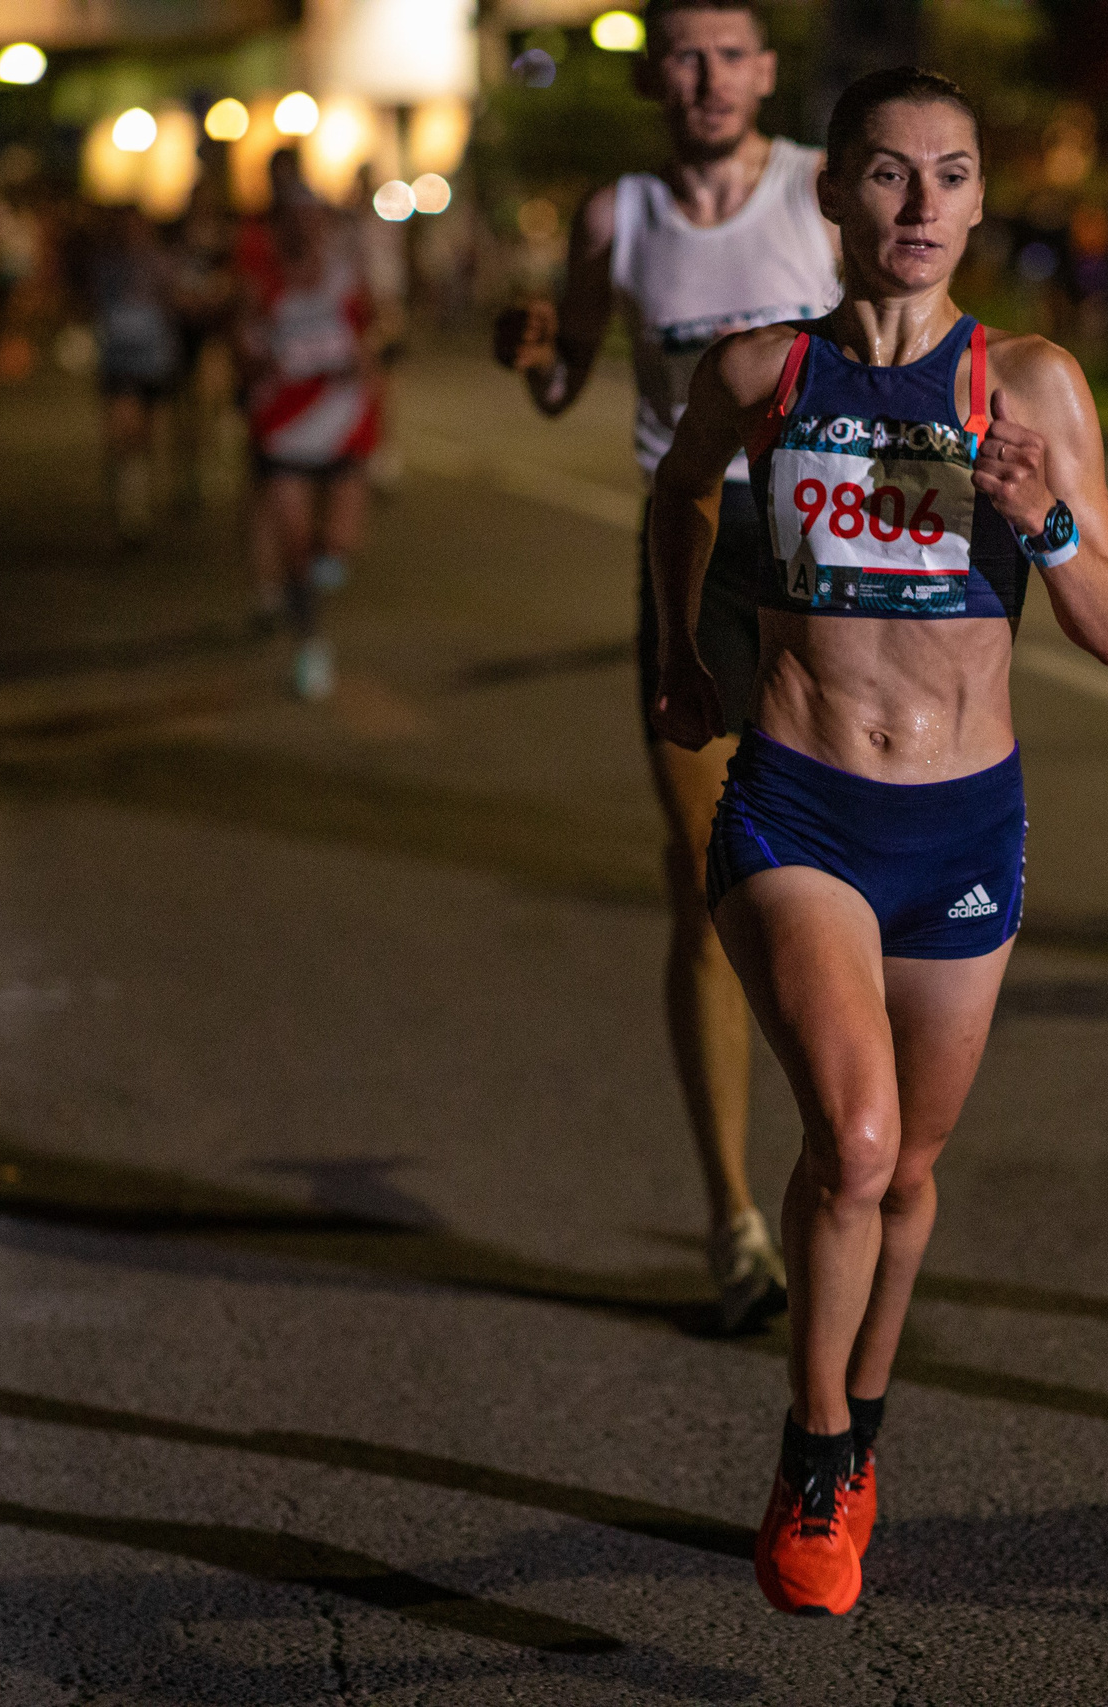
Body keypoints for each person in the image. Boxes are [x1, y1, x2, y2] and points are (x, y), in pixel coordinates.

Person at [650, 67, 1108, 1616]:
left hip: (963, 821)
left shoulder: (1034, 385)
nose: (920, 206)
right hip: (799, 805)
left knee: (912, 1169)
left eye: (950, 176)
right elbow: (676, 493)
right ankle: (809, 1452)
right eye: (886, 174)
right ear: (833, 196)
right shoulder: (761, 375)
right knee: (853, 1142)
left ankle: (863, 1425)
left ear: (983, 200)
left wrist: (1049, 522)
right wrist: (677, 646)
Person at [492, 0, 840, 1334]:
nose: (705, 77)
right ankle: (734, 1221)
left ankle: (839, 1165)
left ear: (762, 73)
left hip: (823, 553)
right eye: (684, 55)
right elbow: (566, 374)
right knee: (709, 886)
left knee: (830, 873)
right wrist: (534, 356)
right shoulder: (616, 218)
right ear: (657, 77)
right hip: (689, 560)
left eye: (730, 54)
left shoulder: (821, 188)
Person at [235, 180, 391, 700]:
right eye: (293, 222)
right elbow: (245, 349)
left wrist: (365, 365)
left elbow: (379, 337)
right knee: (296, 549)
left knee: (338, 551)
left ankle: (309, 595)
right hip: (284, 432)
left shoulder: (350, 282)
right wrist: (262, 363)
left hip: (344, 425)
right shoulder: (264, 286)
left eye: (313, 220)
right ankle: (310, 646)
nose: (305, 231)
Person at [82, 206, 183, 545]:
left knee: (146, 436)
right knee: (123, 432)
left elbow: (176, 304)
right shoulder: (105, 266)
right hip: (119, 362)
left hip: (152, 362)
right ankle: (127, 508)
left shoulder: (161, 264)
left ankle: (140, 501)